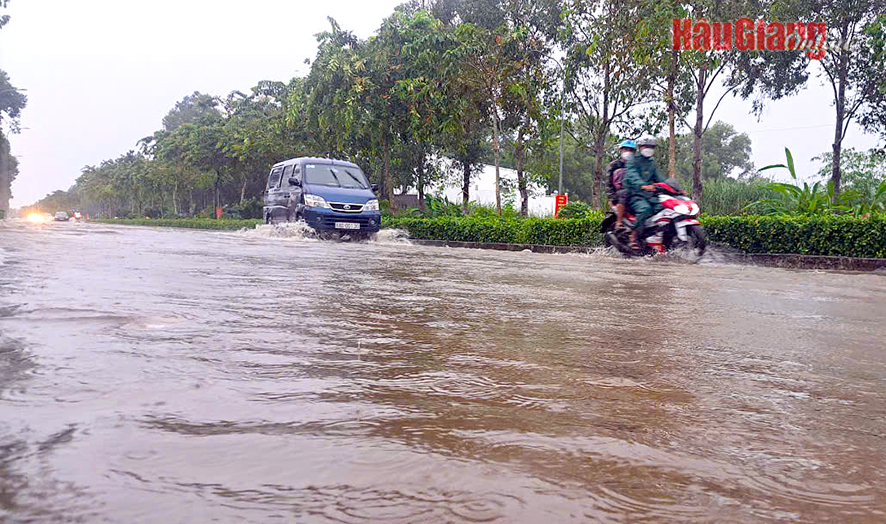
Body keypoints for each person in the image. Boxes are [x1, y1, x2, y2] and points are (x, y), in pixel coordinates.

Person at [623, 136, 666, 250]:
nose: (649, 149)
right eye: (646, 146)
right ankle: (634, 236)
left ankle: (656, 234)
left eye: (651, 147)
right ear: (640, 147)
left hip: (648, 196)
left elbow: (660, 178)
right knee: (645, 209)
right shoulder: (633, 160)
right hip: (634, 195)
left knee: (664, 207)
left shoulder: (652, 163)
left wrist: (672, 188)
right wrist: (642, 185)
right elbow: (632, 175)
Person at [606, 139, 636, 230]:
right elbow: (608, 183)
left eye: (631, 150)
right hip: (619, 194)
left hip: (634, 194)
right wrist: (612, 197)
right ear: (621, 150)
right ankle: (619, 222)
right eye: (626, 149)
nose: (628, 152)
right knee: (624, 193)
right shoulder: (614, 165)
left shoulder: (636, 166)